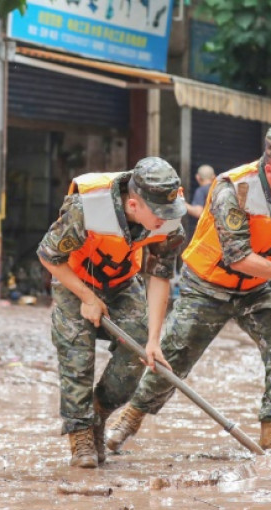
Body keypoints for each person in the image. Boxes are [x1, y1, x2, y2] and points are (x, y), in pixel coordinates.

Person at [106, 125, 271, 453]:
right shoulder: (233, 190)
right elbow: (238, 258)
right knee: (174, 355)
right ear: (269, 170)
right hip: (207, 285)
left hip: (254, 287)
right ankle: (130, 418)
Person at [36, 156, 185, 468]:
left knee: (140, 346)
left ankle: (98, 412)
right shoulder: (87, 206)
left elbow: (159, 276)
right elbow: (49, 255)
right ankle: (80, 436)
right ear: (133, 205)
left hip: (121, 281)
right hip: (74, 279)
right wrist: (87, 297)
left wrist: (154, 340)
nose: (164, 220)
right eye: (157, 214)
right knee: (77, 353)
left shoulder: (168, 218)